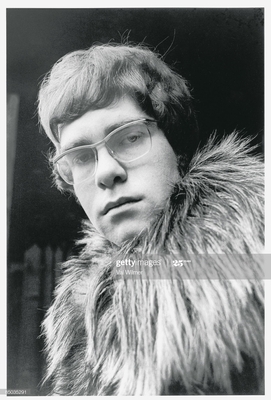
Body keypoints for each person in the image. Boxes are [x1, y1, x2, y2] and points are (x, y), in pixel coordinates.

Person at [37, 43, 264, 395]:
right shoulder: (78, 307)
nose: (105, 173)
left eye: (129, 137)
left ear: (176, 146)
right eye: (81, 157)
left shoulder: (256, 259)